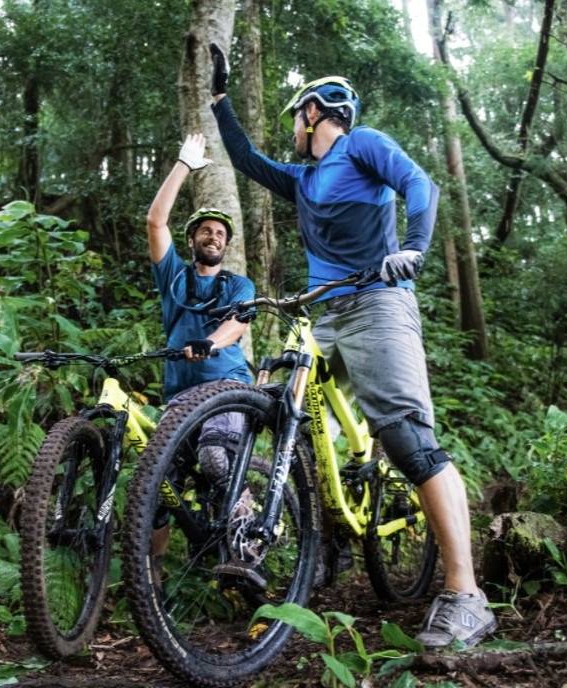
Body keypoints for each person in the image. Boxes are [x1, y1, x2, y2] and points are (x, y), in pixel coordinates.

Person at [207, 43, 497, 649]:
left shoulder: (361, 145)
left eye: (296, 116)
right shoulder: (304, 177)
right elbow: (244, 158)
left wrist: (415, 246)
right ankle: (305, 548)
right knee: (278, 414)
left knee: (407, 439)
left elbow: (419, 184)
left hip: (376, 300)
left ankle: (466, 594)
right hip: (319, 311)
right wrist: (219, 98)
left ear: (315, 112)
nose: (293, 128)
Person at [146, 131, 262, 583]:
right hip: (180, 395)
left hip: (227, 388)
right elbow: (156, 223)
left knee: (216, 459)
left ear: (225, 245)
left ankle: (247, 547)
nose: (213, 237)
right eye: (205, 231)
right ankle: (150, 574)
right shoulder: (173, 278)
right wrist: (183, 165)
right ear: (191, 239)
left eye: (220, 233)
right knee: (157, 483)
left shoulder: (238, 285)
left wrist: (213, 341)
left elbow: (239, 323)